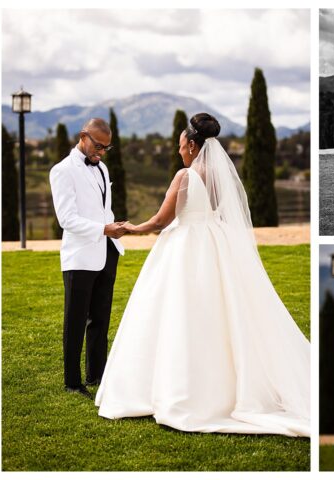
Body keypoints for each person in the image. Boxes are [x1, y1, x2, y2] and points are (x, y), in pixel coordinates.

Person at [94, 113, 310, 437]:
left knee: (180, 314)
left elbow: (160, 220)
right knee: (221, 314)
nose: (179, 151)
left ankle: (181, 392)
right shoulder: (219, 176)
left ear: (193, 146)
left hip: (186, 247)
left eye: (181, 145)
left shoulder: (185, 176)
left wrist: (129, 228)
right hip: (215, 242)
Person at [50, 118, 127, 399]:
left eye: (107, 148)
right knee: (75, 320)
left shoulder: (103, 168)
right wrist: (103, 229)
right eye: (98, 146)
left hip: (107, 251)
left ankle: (97, 375)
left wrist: (114, 228)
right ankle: (73, 382)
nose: (102, 153)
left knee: (100, 319)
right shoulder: (62, 171)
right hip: (80, 256)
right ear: (83, 136)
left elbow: (101, 208)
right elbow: (66, 219)